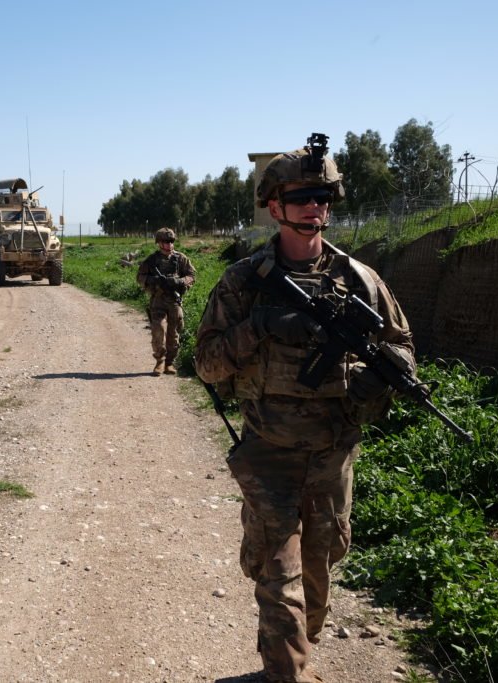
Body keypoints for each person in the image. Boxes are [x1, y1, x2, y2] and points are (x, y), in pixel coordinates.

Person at [194, 135, 416, 682]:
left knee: (317, 573)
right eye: (302, 198)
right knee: (278, 575)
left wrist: (377, 380)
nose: (315, 208)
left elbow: (403, 347)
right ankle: (287, 673)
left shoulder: (361, 281)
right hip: (269, 453)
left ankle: (297, 650)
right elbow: (207, 364)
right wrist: (261, 326)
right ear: (275, 208)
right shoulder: (244, 283)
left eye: (323, 197)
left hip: (333, 454)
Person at [136, 227, 197, 375]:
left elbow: (191, 275)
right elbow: (140, 277)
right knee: (158, 330)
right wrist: (153, 280)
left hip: (174, 301)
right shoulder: (151, 260)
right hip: (158, 301)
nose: (169, 244)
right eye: (165, 241)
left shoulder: (180, 258)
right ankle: (160, 361)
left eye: (171, 241)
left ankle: (170, 362)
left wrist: (179, 281)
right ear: (159, 243)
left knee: (174, 333)